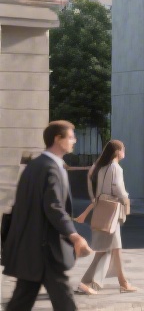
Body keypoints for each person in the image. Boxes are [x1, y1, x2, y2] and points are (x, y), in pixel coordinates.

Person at [1, 120, 91, 311]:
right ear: (58, 139)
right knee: (63, 301)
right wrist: (74, 235)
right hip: (46, 248)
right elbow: (54, 207)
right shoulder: (50, 168)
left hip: (32, 248)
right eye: (71, 137)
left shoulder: (34, 166)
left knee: (22, 299)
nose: (74, 141)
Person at [74, 140, 136, 295]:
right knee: (105, 251)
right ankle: (87, 283)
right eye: (123, 149)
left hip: (103, 209)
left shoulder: (101, 168)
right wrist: (127, 200)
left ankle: (123, 283)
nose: (124, 152)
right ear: (117, 151)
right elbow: (119, 190)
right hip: (112, 213)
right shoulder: (116, 168)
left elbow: (96, 191)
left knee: (115, 249)